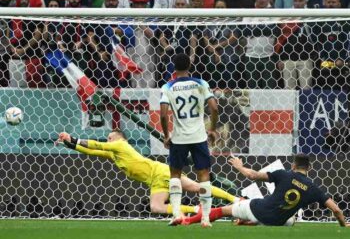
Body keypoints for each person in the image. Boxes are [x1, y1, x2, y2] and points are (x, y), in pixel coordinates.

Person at [56, 129, 236, 217]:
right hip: (158, 173)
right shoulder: (114, 153)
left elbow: (97, 145)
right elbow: (91, 151)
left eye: (111, 137)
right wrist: (67, 143)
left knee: (157, 206)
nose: (108, 139)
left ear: (121, 138)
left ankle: (197, 210)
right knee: (196, 187)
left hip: (158, 174)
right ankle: (234, 200)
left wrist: (73, 138)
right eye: (108, 138)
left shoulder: (120, 145)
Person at [181, 154, 350, 227]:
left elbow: (253, 175)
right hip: (275, 222)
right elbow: (336, 210)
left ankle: (188, 221)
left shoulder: (284, 174)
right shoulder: (314, 189)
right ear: (309, 168)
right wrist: (344, 224)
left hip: (257, 209)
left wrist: (239, 166)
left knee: (223, 211)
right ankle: (247, 222)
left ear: (293, 166)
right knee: (291, 220)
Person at [160, 53, 218, 227]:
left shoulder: (168, 86)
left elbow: (163, 114)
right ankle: (206, 219)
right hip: (199, 137)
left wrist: (166, 135)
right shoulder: (201, 83)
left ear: (174, 67)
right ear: (190, 66)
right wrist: (213, 129)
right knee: (204, 174)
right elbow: (214, 107)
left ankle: (177, 214)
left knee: (175, 174)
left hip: (178, 138)